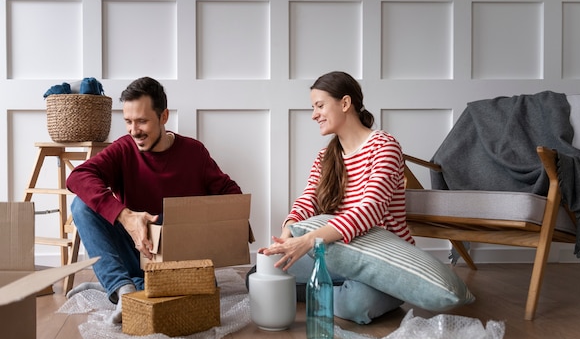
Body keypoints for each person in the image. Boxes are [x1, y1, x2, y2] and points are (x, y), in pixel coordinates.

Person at [66, 76, 242, 323]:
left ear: (164, 117)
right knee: (80, 206)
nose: (134, 130)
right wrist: (125, 216)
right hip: (135, 251)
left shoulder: (194, 152)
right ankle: (124, 290)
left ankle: (118, 285)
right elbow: (78, 177)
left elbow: (231, 194)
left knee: (199, 286)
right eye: (128, 121)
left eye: (142, 121)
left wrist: (203, 224)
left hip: (180, 264)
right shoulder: (124, 148)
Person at [262, 71, 414, 324]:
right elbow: (308, 199)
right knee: (263, 270)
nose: (314, 115)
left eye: (320, 106)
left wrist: (308, 241)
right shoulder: (325, 156)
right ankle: (329, 287)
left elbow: (371, 209)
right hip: (341, 252)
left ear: (345, 103)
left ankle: (326, 290)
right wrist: (288, 232)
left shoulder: (384, 146)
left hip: (382, 258)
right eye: (313, 108)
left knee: (355, 305)